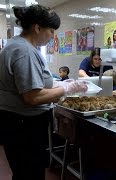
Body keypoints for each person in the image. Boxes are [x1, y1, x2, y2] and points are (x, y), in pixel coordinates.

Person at [0, 5, 87, 180]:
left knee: (24, 172)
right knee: (29, 173)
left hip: (17, 121)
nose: (52, 36)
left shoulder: (18, 45)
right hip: (24, 125)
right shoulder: (24, 51)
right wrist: (66, 89)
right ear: (37, 28)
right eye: (51, 31)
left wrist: (59, 83)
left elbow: (35, 83)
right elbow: (32, 97)